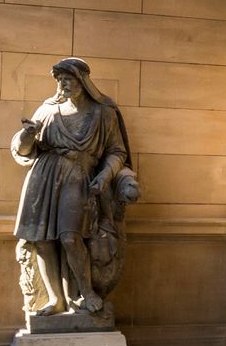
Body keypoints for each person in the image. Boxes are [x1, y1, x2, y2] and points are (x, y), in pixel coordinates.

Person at [11, 57, 135, 319]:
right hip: (43, 178)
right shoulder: (47, 109)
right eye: (59, 79)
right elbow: (24, 151)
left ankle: (86, 293)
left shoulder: (103, 113)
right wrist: (27, 135)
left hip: (78, 177)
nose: (63, 84)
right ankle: (55, 300)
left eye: (68, 78)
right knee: (43, 241)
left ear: (83, 81)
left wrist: (105, 175)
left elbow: (116, 151)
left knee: (70, 237)